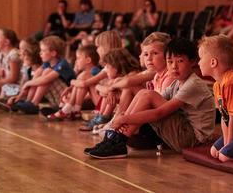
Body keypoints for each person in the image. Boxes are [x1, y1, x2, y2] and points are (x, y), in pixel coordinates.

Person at [84, 38, 216, 159]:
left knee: (147, 94)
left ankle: (118, 140)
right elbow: (153, 100)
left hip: (192, 139)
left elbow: (159, 112)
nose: (174, 66)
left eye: (180, 61)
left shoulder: (193, 84)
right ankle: (115, 139)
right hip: (183, 132)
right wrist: (125, 116)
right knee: (144, 93)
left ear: (192, 61)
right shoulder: (178, 82)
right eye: (170, 62)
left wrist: (123, 118)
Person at [12, 36, 75, 114]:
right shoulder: (47, 63)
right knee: (40, 73)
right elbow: (37, 75)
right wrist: (20, 96)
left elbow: (46, 79)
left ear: (53, 53)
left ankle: (34, 103)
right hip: (56, 99)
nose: (40, 53)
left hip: (68, 98)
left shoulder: (63, 64)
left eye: (43, 51)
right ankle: (30, 102)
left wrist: (27, 83)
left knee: (46, 72)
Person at [44, 45, 100, 120]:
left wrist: (72, 82)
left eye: (78, 58)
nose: (76, 61)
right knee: (80, 79)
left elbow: (90, 90)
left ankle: (69, 108)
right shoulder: (88, 72)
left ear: (88, 60)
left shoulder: (94, 71)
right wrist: (71, 88)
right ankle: (71, 109)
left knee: (83, 76)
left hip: (98, 103)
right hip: (95, 102)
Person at [0, 29, 21, 96]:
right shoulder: (2, 55)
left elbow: (13, 78)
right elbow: (0, 73)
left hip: (17, 86)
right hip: (7, 84)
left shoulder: (13, 55)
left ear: (6, 42)